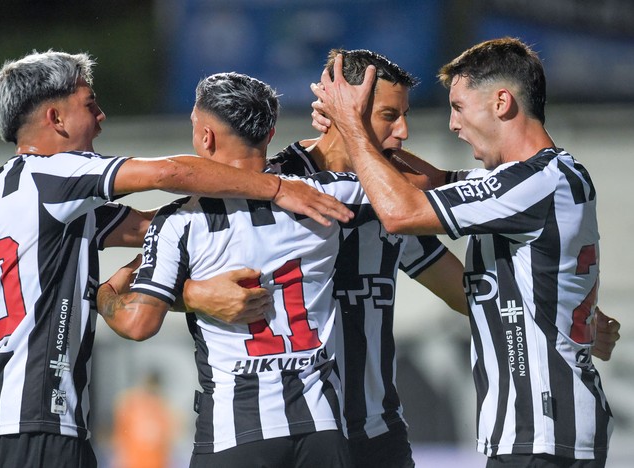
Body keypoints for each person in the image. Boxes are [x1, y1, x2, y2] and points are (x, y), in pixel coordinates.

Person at [0, 50, 352, 468]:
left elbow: (159, 229)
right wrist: (277, 189)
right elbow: (168, 174)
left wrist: (188, 284)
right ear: (56, 119)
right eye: (90, 104)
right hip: (35, 419)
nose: (101, 117)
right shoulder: (52, 174)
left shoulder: (20, 185)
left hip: (20, 417)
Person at [312, 37, 613, 467]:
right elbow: (430, 180)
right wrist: (350, 127)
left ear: (501, 102)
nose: (453, 124)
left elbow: (401, 212)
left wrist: (354, 127)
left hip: (542, 434)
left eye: (458, 106)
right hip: (548, 433)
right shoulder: (543, 177)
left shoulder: (534, 183)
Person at [97, 71, 423, 468]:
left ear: (205, 138)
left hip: (237, 433)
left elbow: (137, 324)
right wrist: (348, 127)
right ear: (270, 135)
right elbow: (406, 199)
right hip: (321, 430)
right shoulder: (326, 196)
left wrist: (106, 289)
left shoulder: (179, 223)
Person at [266, 48, 467, 468]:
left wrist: (562, 321)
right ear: (348, 108)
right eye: (390, 115)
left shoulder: (390, 201)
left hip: (380, 432)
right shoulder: (276, 187)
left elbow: (463, 292)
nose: (404, 131)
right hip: (298, 433)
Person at [111, 370, 180, 468]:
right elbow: (119, 436)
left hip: (155, 462)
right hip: (134, 462)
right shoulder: (130, 404)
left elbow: (169, 440)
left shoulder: (163, 408)